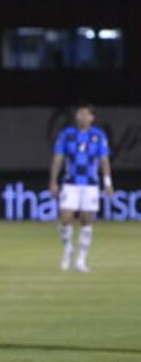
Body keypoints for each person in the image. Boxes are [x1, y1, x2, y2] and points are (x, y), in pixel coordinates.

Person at [48, 103, 113, 273]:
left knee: (86, 220)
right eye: (80, 113)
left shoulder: (98, 136)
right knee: (65, 218)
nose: (82, 116)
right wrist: (53, 181)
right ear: (76, 117)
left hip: (90, 184)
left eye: (86, 114)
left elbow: (104, 160)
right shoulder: (66, 135)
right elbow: (58, 158)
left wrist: (107, 182)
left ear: (92, 118)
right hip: (70, 183)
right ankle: (67, 248)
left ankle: (80, 261)